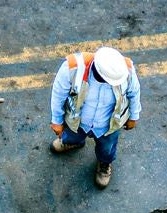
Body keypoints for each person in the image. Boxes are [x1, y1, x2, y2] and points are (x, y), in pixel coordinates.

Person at [48, 45, 140, 189]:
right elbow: (58, 94)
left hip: (108, 126)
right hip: (77, 121)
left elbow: (134, 93)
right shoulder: (72, 67)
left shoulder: (125, 69)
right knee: (72, 135)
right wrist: (56, 121)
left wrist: (134, 116)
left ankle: (104, 163)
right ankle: (72, 142)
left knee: (107, 148)